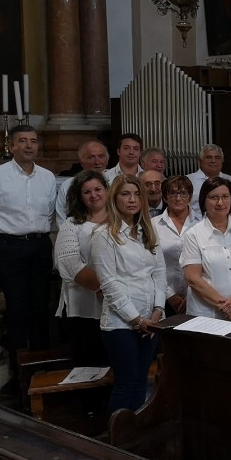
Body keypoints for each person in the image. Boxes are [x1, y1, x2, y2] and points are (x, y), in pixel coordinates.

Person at [0, 125, 56, 398]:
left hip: (40, 245)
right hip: (8, 247)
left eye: (33, 141)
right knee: (17, 311)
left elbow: (52, 215)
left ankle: (42, 370)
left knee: (41, 308)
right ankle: (18, 375)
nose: (29, 146)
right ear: (11, 146)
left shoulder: (47, 177)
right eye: (22, 141)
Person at [90, 175, 165, 414]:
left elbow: (159, 273)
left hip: (151, 321)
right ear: (114, 199)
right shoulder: (105, 235)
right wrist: (137, 319)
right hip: (121, 323)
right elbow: (109, 284)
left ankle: (136, 436)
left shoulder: (147, 232)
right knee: (126, 382)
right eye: (125, 194)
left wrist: (157, 311)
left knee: (142, 380)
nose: (132, 200)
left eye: (136, 194)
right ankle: (117, 443)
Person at [181, 177, 231, 325]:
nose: (220, 202)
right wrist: (227, 308)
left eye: (225, 196)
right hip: (206, 315)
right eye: (214, 197)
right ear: (204, 200)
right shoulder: (193, 234)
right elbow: (194, 279)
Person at [54, 170, 109, 367]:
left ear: (107, 191)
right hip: (84, 305)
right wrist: (109, 289)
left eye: (98, 189)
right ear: (79, 196)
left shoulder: (122, 220)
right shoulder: (71, 225)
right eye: (86, 192)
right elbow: (70, 264)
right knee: (90, 363)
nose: (94, 195)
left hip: (120, 305)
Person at [152, 175, 199, 317]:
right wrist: (170, 295)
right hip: (162, 296)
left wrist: (192, 295)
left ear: (190, 197)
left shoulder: (202, 223)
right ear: (165, 197)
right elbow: (151, 263)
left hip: (197, 296)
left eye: (183, 193)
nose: (178, 198)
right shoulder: (153, 224)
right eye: (173, 193)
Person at [55, 139, 109, 221]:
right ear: (81, 161)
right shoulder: (68, 185)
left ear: (107, 159)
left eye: (101, 156)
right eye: (91, 157)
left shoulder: (116, 181)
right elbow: (61, 218)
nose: (97, 162)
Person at [188, 144, 231, 218]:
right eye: (209, 157)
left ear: (222, 161)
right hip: (195, 225)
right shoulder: (189, 180)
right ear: (200, 161)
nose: (213, 161)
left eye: (217, 158)